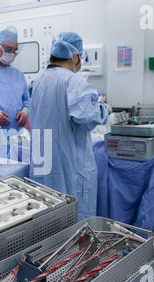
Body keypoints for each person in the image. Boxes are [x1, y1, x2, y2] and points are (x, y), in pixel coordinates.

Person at [29, 32, 110, 221]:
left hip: (43, 162)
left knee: (46, 213)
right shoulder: (73, 82)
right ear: (75, 56)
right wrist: (104, 109)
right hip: (70, 166)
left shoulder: (37, 81)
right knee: (74, 218)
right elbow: (89, 117)